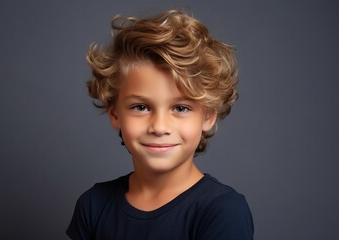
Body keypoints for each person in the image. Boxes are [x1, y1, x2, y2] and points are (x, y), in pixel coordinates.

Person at [67, 9, 254, 240]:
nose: (159, 126)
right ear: (115, 114)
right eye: (141, 107)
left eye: (181, 108)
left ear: (207, 116)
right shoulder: (93, 205)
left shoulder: (221, 211)